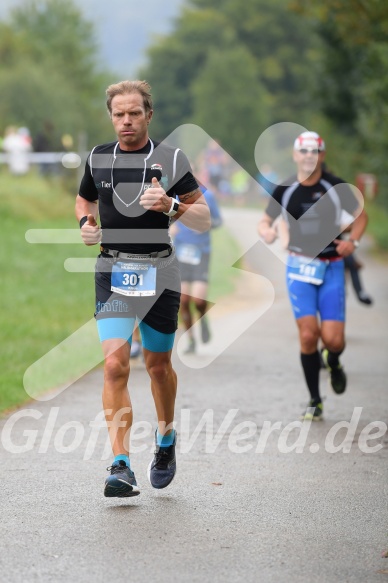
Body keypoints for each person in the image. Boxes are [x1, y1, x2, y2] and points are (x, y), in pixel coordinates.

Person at [75, 80, 210, 497]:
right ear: (111, 116)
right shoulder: (98, 159)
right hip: (113, 271)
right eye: (119, 114)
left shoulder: (170, 159)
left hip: (160, 272)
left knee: (157, 367)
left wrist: (171, 206)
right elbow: (84, 201)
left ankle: (166, 442)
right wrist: (86, 224)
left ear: (148, 115)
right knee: (115, 366)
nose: (126, 121)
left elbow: (203, 218)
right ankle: (120, 464)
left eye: (135, 113)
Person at [258, 131, 368, 421]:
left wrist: (352, 243)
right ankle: (315, 400)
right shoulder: (285, 189)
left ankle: (334, 361)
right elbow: (266, 219)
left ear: (322, 156)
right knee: (308, 336)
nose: (309, 156)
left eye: (314, 151)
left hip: (331, 266)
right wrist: (267, 231)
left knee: (334, 341)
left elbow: (361, 217)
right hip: (299, 267)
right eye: (303, 151)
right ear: (295, 155)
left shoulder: (335, 187)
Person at [171, 183, 222, 354]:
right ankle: (191, 340)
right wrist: (171, 226)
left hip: (201, 252)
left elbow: (217, 220)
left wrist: (205, 224)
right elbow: (165, 216)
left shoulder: (207, 196)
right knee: (184, 300)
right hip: (181, 252)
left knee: (198, 300)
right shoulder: (174, 195)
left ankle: (203, 317)